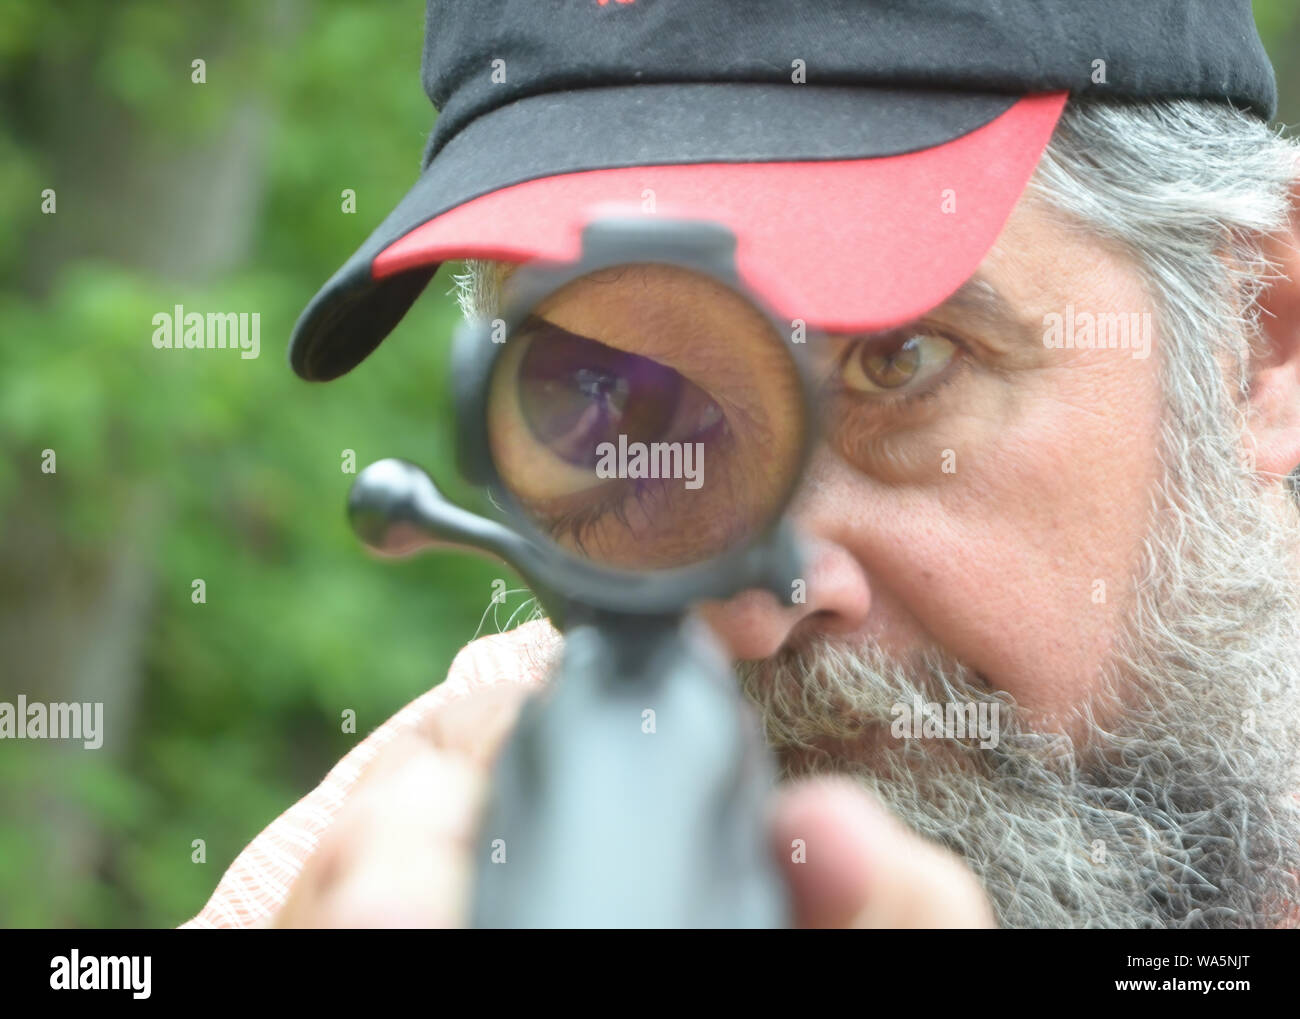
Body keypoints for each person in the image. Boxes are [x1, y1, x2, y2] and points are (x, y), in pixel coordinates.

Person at [184, 0, 1300, 928]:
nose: (753, 605)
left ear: (1256, 337)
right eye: (614, 406)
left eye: (898, 363)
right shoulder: (372, 880)